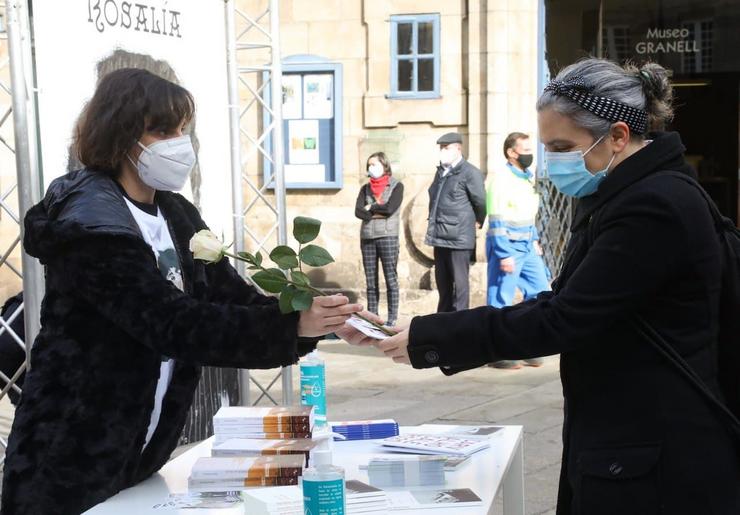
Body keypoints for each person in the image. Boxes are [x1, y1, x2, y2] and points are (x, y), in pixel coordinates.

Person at [339, 58, 740, 514]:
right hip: (633, 446)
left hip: (659, 462)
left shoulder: (653, 206)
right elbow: (568, 304)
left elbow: (563, 317)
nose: (551, 161)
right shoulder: (631, 193)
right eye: (547, 146)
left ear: (618, 137)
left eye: (563, 146)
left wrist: (432, 337)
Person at [1, 68, 362, 515]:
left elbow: (228, 295)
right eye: (161, 130)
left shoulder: (174, 211)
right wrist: (289, 327)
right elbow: (172, 322)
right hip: (70, 458)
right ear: (122, 134)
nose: (178, 142)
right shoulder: (90, 222)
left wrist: (318, 318)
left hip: (139, 454)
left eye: (181, 129)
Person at [486, 132, 550, 369]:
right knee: (500, 300)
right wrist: (504, 254)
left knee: (540, 293)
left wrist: (534, 240)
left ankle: (526, 345)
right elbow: (496, 220)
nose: (530, 155)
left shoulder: (525, 178)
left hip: (527, 247)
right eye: (524, 150)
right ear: (511, 153)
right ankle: (496, 351)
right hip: (508, 247)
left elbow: (528, 214)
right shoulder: (501, 180)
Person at [425, 132, 486, 312]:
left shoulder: (470, 172)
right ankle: (442, 323)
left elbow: (480, 201)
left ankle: (460, 323)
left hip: (459, 237)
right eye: (441, 148)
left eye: (446, 147)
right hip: (440, 235)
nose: (442, 151)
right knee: (443, 285)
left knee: (460, 286)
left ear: (458, 148)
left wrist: (478, 220)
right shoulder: (442, 172)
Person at [354, 152, 404, 326]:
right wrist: (374, 213)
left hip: (388, 236)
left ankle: (392, 318)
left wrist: (372, 207)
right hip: (367, 236)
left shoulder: (397, 186)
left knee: (391, 279)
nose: (371, 168)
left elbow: (390, 208)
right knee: (370, 281)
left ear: (384, 165)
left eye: (374, 164)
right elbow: (358, 211)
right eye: (369, 165)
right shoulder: (365, 188)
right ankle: (372, 317)